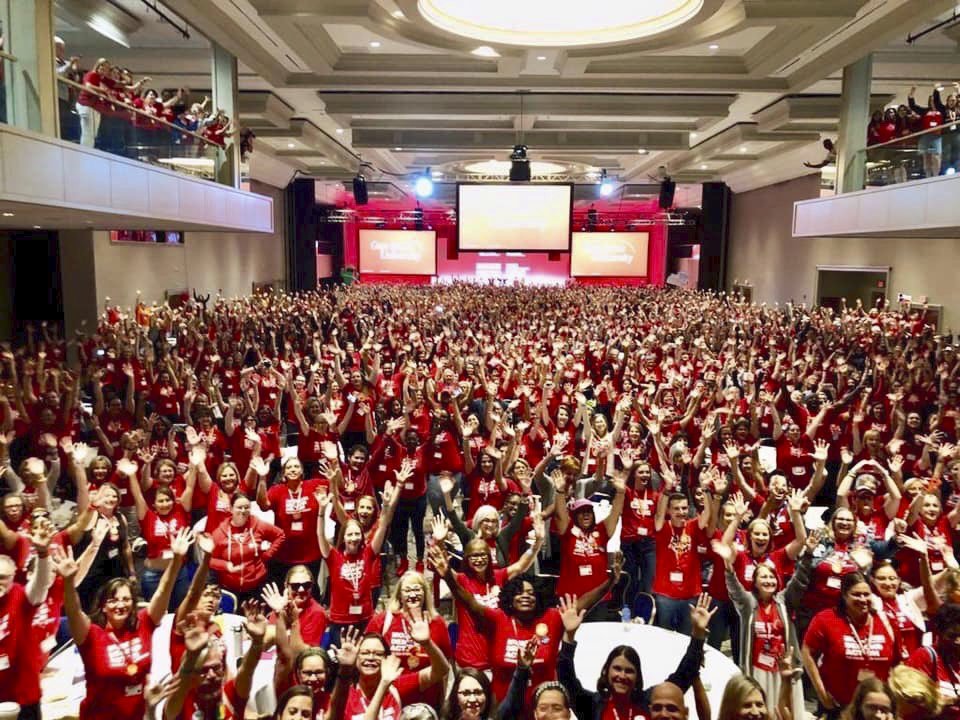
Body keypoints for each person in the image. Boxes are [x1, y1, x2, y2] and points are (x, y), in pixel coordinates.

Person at [431, 543, 619, 704]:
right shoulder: (499, 619)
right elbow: (470, 603)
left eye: (530, 593)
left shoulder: (552, 618)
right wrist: (448, 575)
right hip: (504, 709)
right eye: (519, 593)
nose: (525, 597)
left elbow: (583, 603)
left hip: (542, 709)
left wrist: (610, 583)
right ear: (509, 599)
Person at [52, 527, 192, 720]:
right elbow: (74, 610)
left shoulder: (144, 622)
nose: (120, 605)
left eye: (126, 599)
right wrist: (68, 581)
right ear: (103, 606)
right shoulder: (90, 634)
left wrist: (176, 560)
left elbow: (162, 590)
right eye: (113, 600)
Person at [556, 591, 713, 720]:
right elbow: (566, 678)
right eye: (617, 669)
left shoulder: (653, 701)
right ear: (606, 671)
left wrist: (698, 634)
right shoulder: (592, 706)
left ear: (637, 676)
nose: (622, 675)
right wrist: (569, 636)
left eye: (629, 671)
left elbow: (684, 674)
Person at [802, 571, 900, 717]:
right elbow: (807, 652)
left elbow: (897, 663)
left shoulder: (886, 621)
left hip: (875, 710)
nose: (863, 599)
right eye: (856, 594)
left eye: (866, 594)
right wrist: (822, 693)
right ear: (844, 595)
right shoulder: (826, 619)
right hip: (838, 706)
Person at [0, 517, 54, 720]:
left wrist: (42, 554)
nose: (0, 582)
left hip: (23, 693)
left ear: (13, 576)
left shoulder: (22, 596)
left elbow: (40, 586)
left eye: (3, 577)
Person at [207, 492, 284, 604]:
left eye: (246, 507)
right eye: (239, 507)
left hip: (256, 586)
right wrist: (225, 565)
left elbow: (280, 535)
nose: (243, 511)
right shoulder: (219, 533)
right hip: (230, 588)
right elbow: (209, 560)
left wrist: (267, 555)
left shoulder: (258, 525)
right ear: (231, 509)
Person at [905, 602, 960, 718]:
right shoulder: (924, 657)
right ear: (938, 632)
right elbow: (909, 703)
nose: (958, 641)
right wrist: (952, 701)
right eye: (952, 636)